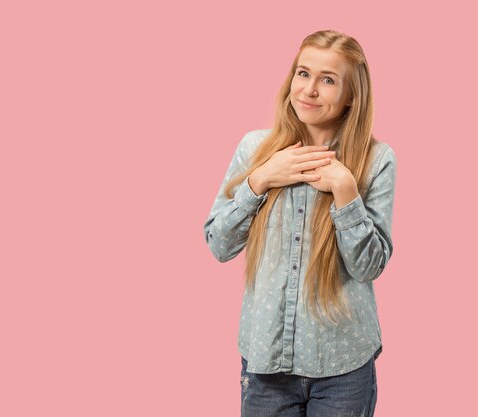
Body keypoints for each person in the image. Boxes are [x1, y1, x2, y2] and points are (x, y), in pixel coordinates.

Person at [203, 29, 396, 417]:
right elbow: (218, 244)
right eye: (303, 73)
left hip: (343, 364)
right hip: (266, 365)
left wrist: (345, 191)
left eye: (328, 80)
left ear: (351, 97)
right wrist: (260, 181)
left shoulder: (377, 160)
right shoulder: (254, 149)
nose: (308, 90)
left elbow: (368, 267)